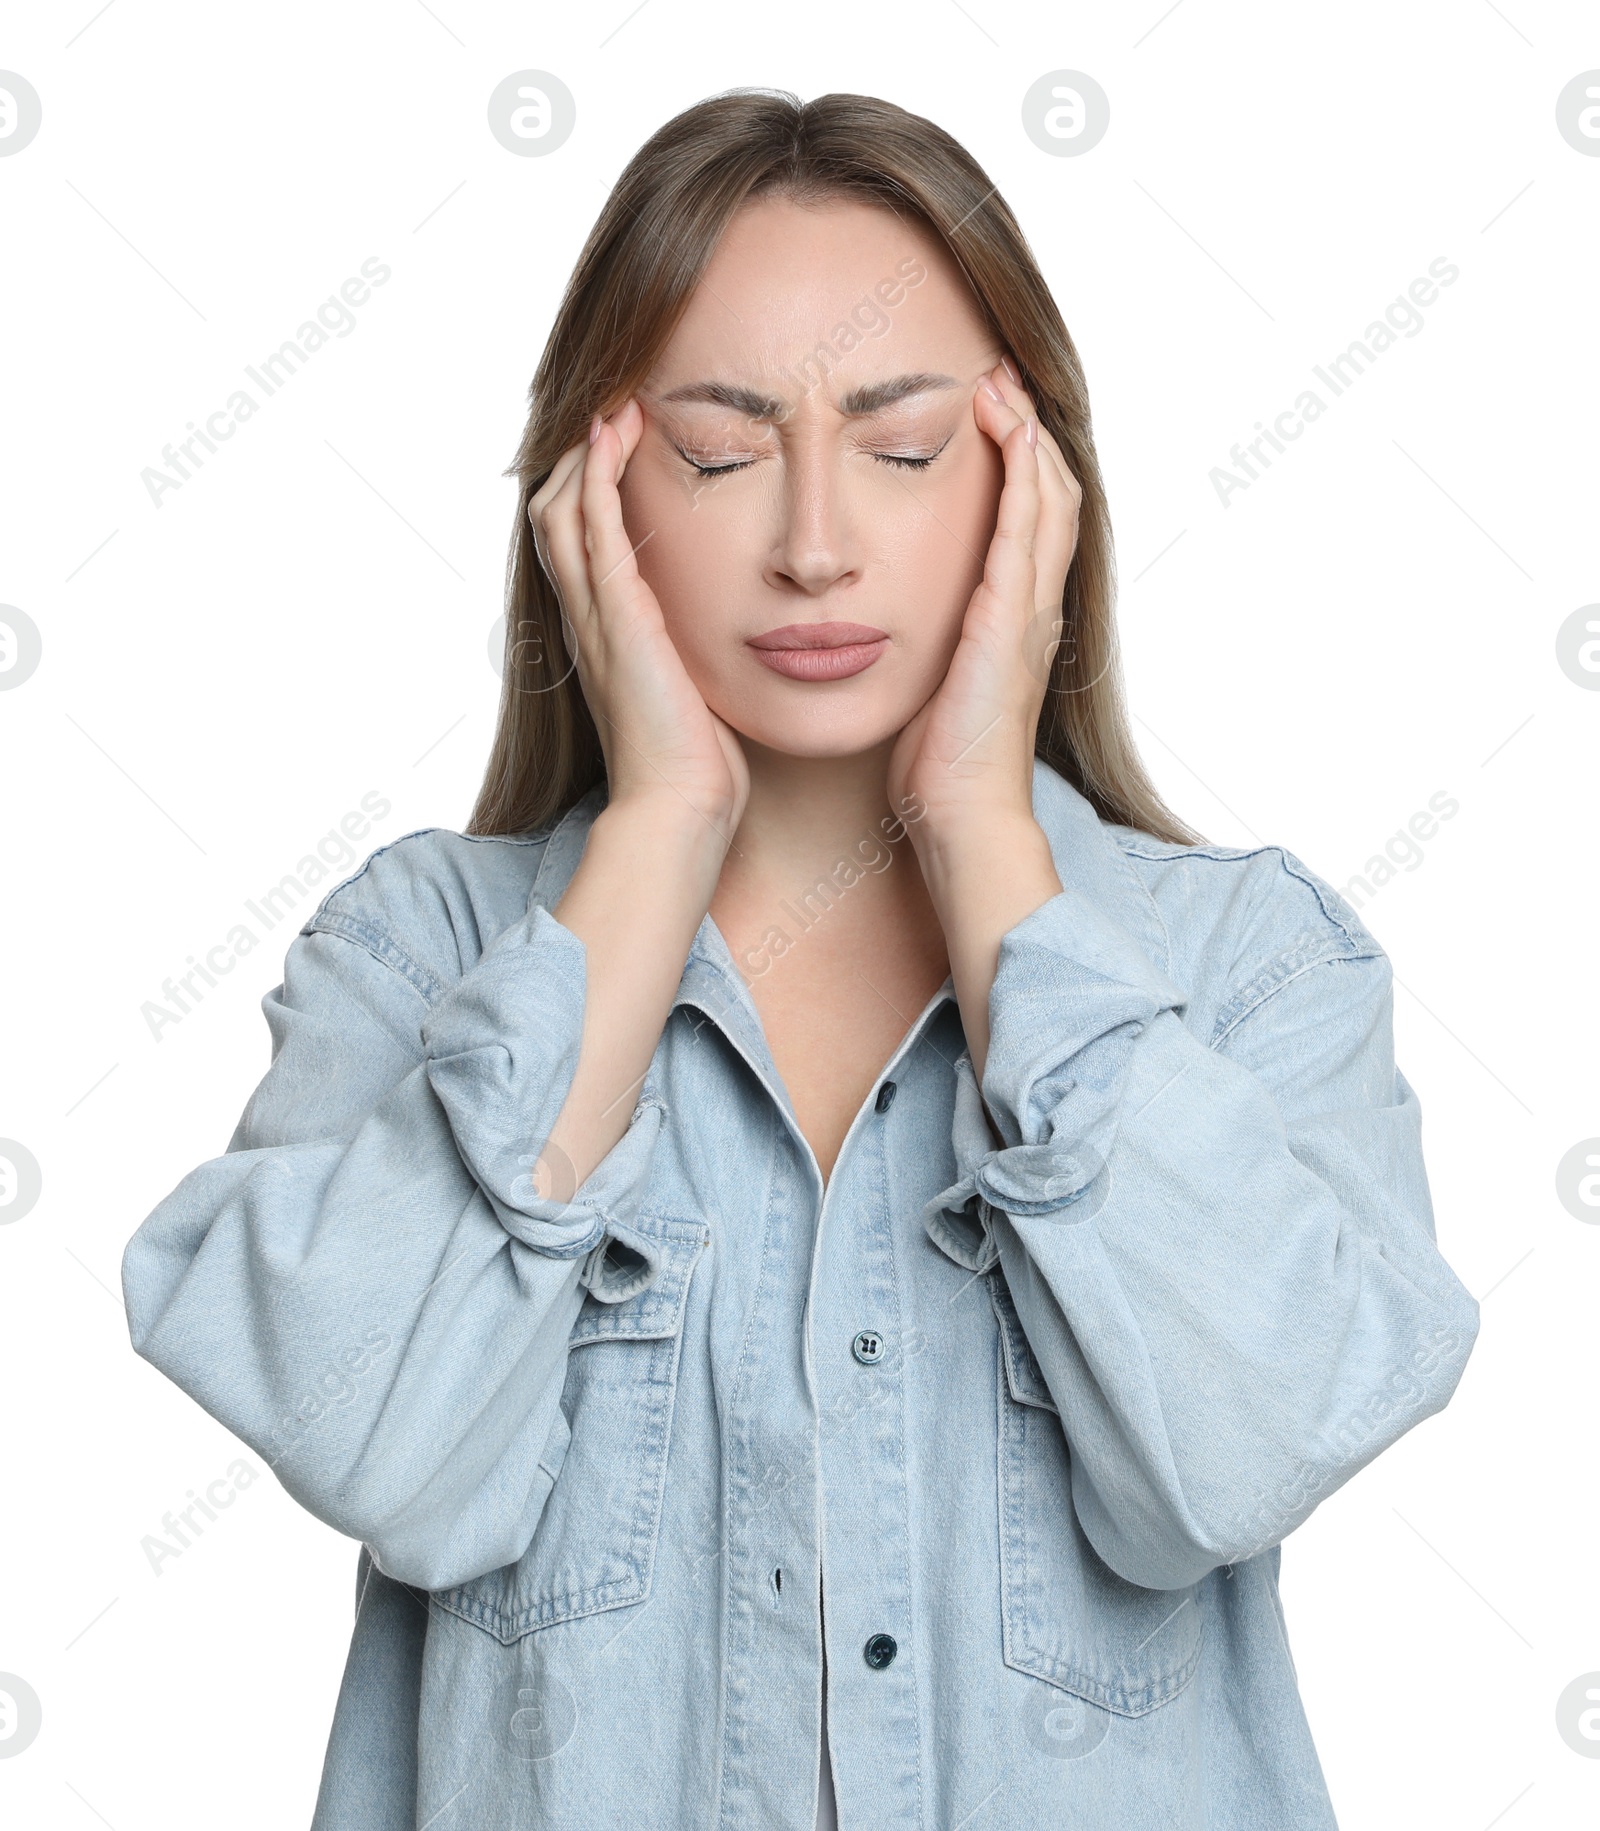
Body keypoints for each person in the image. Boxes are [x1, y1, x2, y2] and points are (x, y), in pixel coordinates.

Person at [121, 89, 1480, 1829]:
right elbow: (381, 1446)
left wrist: (988, 830)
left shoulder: (1247, 970)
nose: (817, 539)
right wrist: (661, 825)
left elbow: (1237, 1459)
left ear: (1033, 481)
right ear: (590, 495)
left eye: (905, 447)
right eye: (718, 450)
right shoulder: (418, 953)